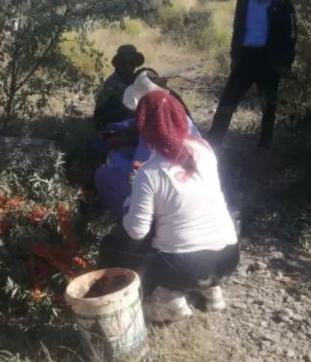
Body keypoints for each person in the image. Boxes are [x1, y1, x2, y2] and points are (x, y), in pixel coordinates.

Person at [100, 90, 239, 323]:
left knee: (114, 248)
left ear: (144, 125)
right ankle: (211, 290)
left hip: (185, 266)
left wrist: (128, 204)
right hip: (228, 259)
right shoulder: (204, 149)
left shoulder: (150, 172)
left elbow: (136, 231)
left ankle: (169, 299)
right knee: (192, 243)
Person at [208, 0, 297, 148]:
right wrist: (234, 55)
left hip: (269, 58)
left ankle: (265, 144)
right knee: (227, 100)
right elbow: (237, 28)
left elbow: (291, 33)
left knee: (268, 103)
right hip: (246, 57)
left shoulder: (281, 1)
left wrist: (286, 62)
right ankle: (213, 141)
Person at [94, 70, 201, 219]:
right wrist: (123, 126)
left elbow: (138, 172)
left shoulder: (152, 134)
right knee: (125, 151)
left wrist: (113, 157)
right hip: (186, 183)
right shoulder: (171, 108)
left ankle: (120, 217)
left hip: (163, 190)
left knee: (102, 174)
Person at [93, 44, 146, 131]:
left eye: (132, 63)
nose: (128, 66)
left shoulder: (135, 80)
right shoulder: (111, 84)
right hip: (114, 127)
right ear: (118, 64)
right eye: (124, 63)